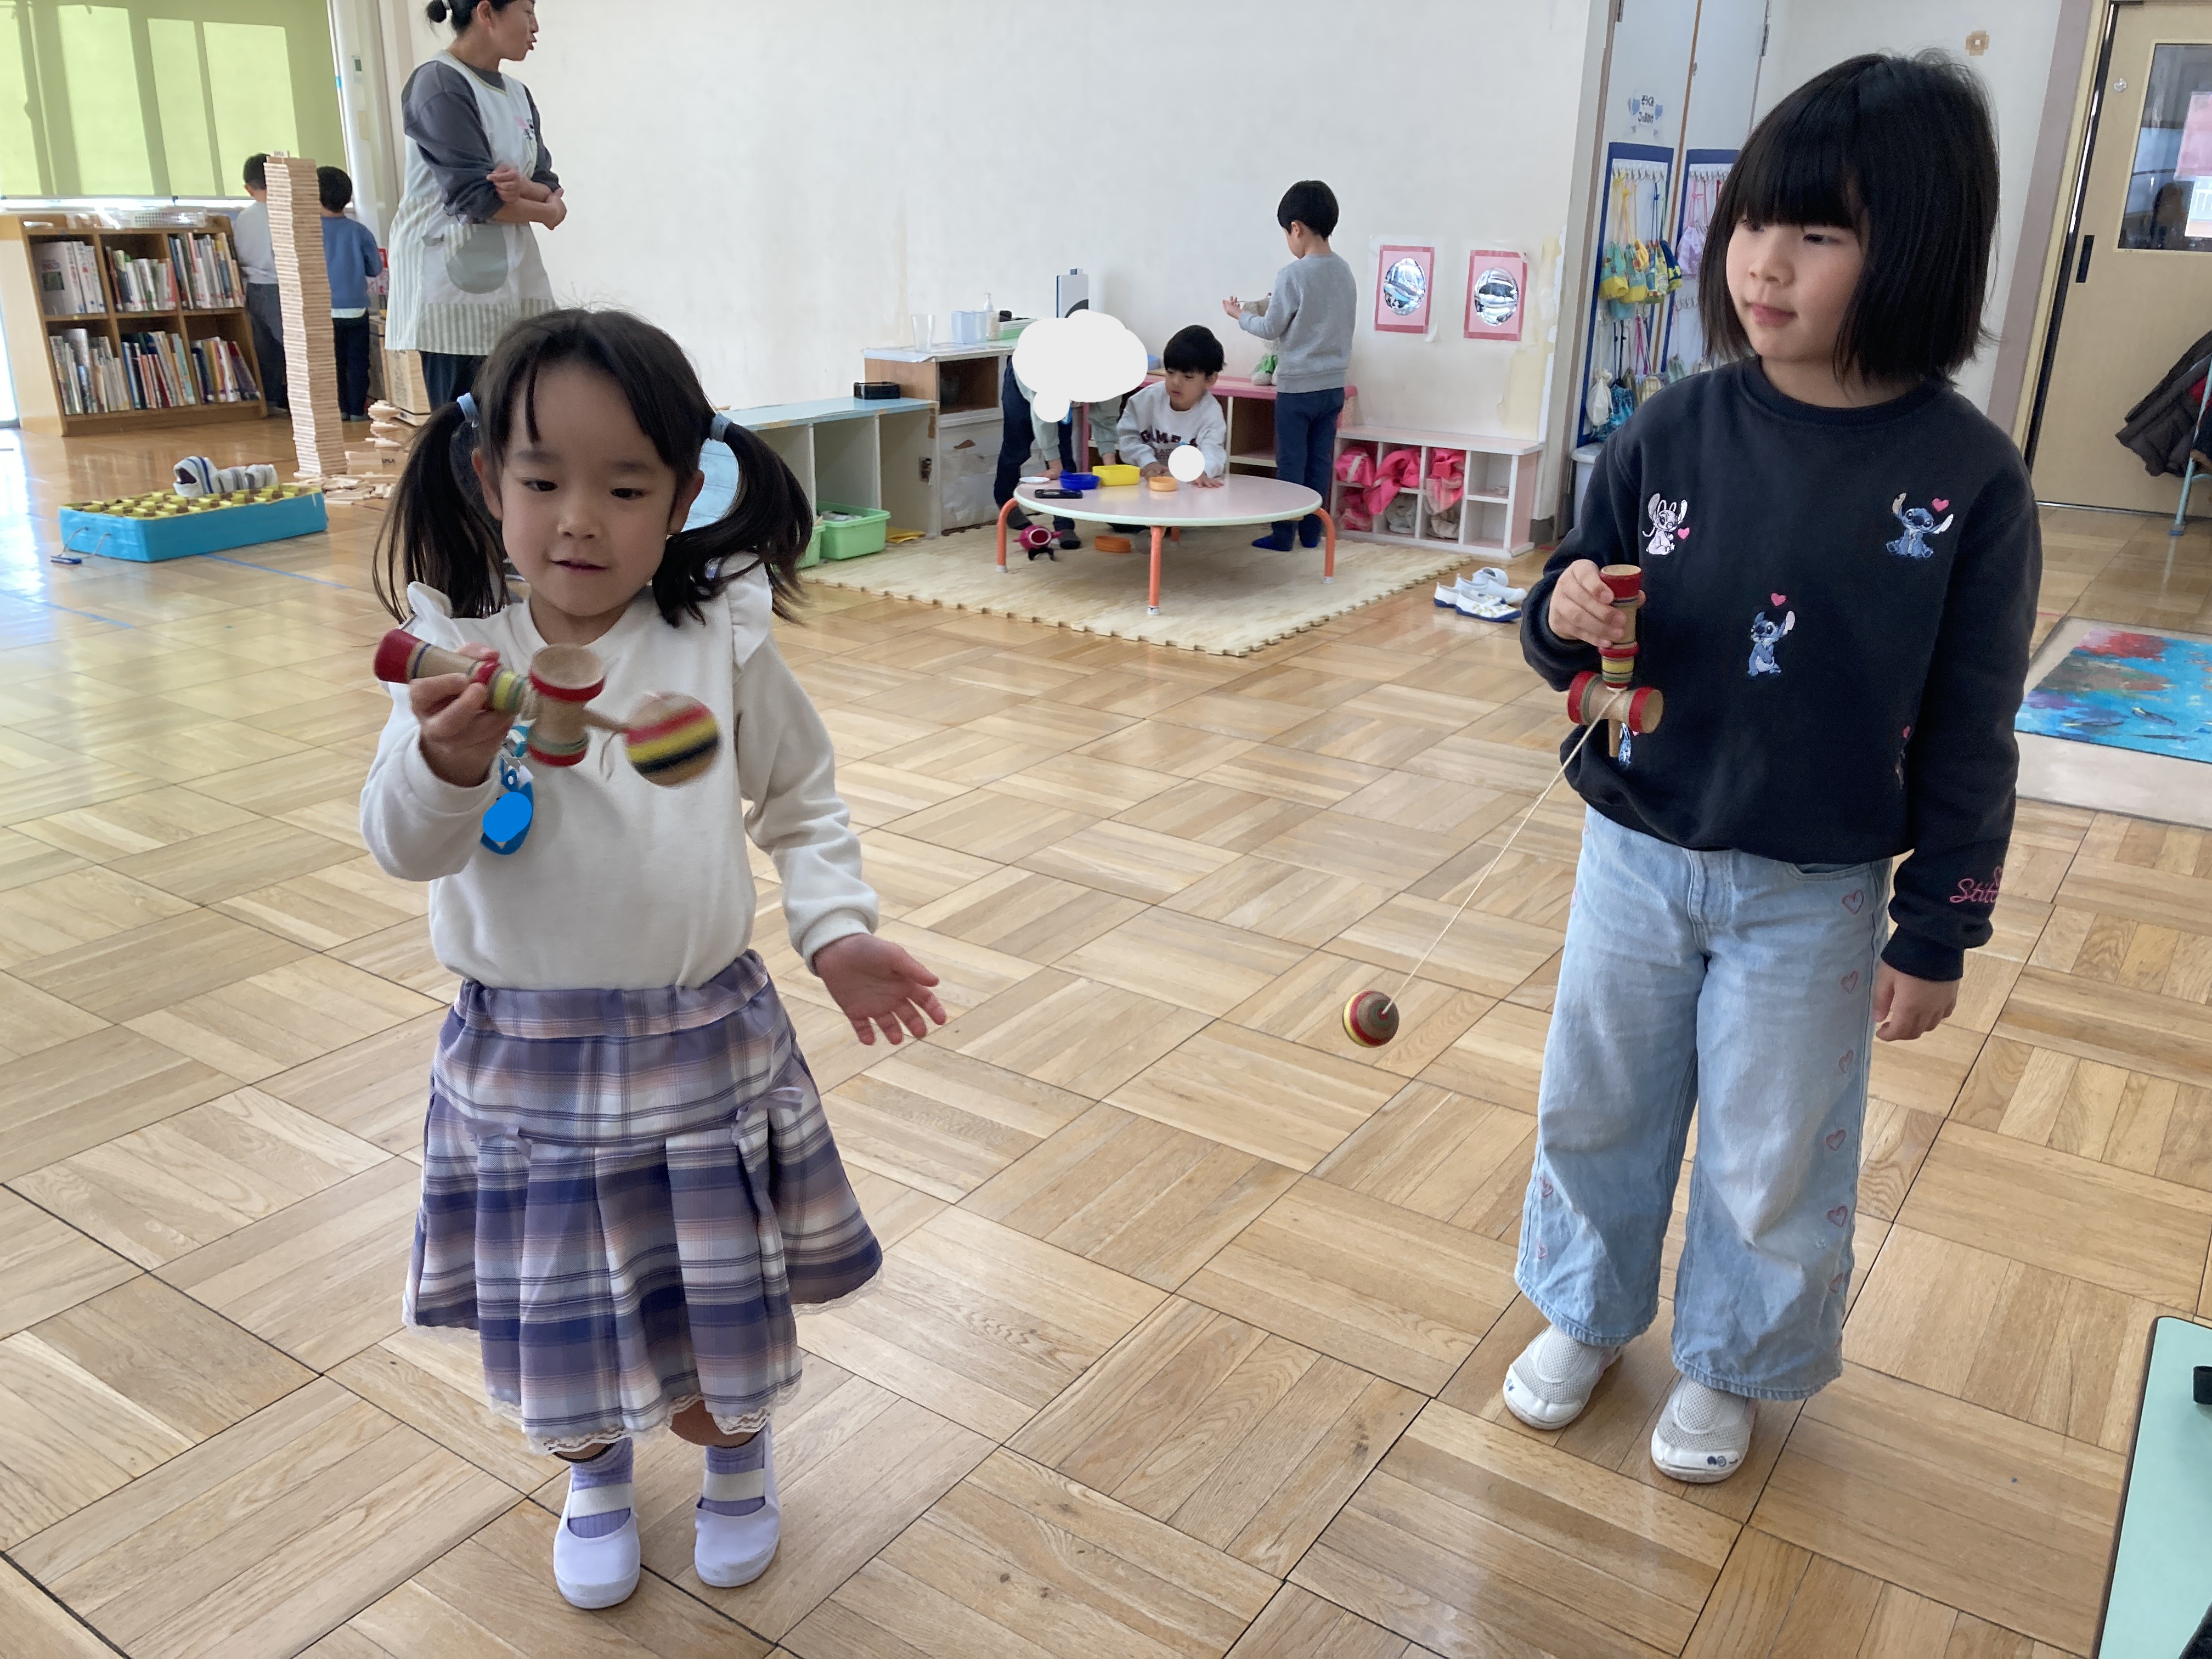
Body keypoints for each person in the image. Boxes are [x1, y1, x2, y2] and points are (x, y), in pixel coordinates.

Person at [362, 308, 945, 1608]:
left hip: (699, 1052)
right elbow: (402, 847)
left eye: (625, 489)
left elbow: (802, 798)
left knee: (714, 1318)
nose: (580, 520)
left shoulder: (715, 638)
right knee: (565, 1330)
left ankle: (736, 1459)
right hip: (524, 1071)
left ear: (687, 496)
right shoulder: (459, 658)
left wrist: (836, 930)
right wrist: (443, 762)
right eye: (543, 481)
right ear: (488, 482)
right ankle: (595, 1478)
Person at [1506, 53, 2035, 1483]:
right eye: (1751, 221)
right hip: (1636, 849)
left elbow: (1976, 719)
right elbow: (1568, 617)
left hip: (1816, 887)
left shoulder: (1972, 480)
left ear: (1916, 248)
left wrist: (1941, 924)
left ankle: (1733, 1361)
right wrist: (1565, 614)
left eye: (1819, 232)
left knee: (1775, 1148)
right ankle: (1584, 1308)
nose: (1765, 263)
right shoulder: (1670, 426)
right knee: (1599, 1104)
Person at [386, 0, 563, 411]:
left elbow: (547, 181)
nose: (536, 26)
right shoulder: (439, 84)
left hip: (511, 275)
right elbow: (477, 198)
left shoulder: (518, 94)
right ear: (486, 13)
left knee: (513, 415)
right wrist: (549, 211)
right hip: (452, 286)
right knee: (464, 426)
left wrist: (527, 189)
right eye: (527, 11)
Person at [1224, 179, 1356, 550]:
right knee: (1319, 463)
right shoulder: (1344, 271)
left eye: (1286, 233)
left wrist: (1239, 315)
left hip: (1298, 388)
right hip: (1333, 387)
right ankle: (1312, 534)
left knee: (1291, 464)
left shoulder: (1293, 274)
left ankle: (1283, 535)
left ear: (1296, 228)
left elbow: (1270, 327)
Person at [1119, 325, 1228, 487]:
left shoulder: (1211, 413)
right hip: (1146, 483)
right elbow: (1128, 438)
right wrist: (1147, 462)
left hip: (1189, 487)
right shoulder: (1144, 401)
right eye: (1170, 373)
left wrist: (1202, 471)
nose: (1176, 382)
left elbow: (1213, 451)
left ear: (1210, 379)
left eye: (1188, 377)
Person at [317, 167, 383, 422]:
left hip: (323, 310)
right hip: (356, 308)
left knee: (332, 363)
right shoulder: (360, 231)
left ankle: (340, 409)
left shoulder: (309, 232)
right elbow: (375, 268)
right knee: (357, 363)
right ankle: (357, 411)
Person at [233, 154, 286, 413]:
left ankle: (272, 400)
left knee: (265, 348)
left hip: (252, 287)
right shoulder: (284, 214)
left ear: (248, 188)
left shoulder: (243, 218)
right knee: (291, 345)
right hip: (280, 287)